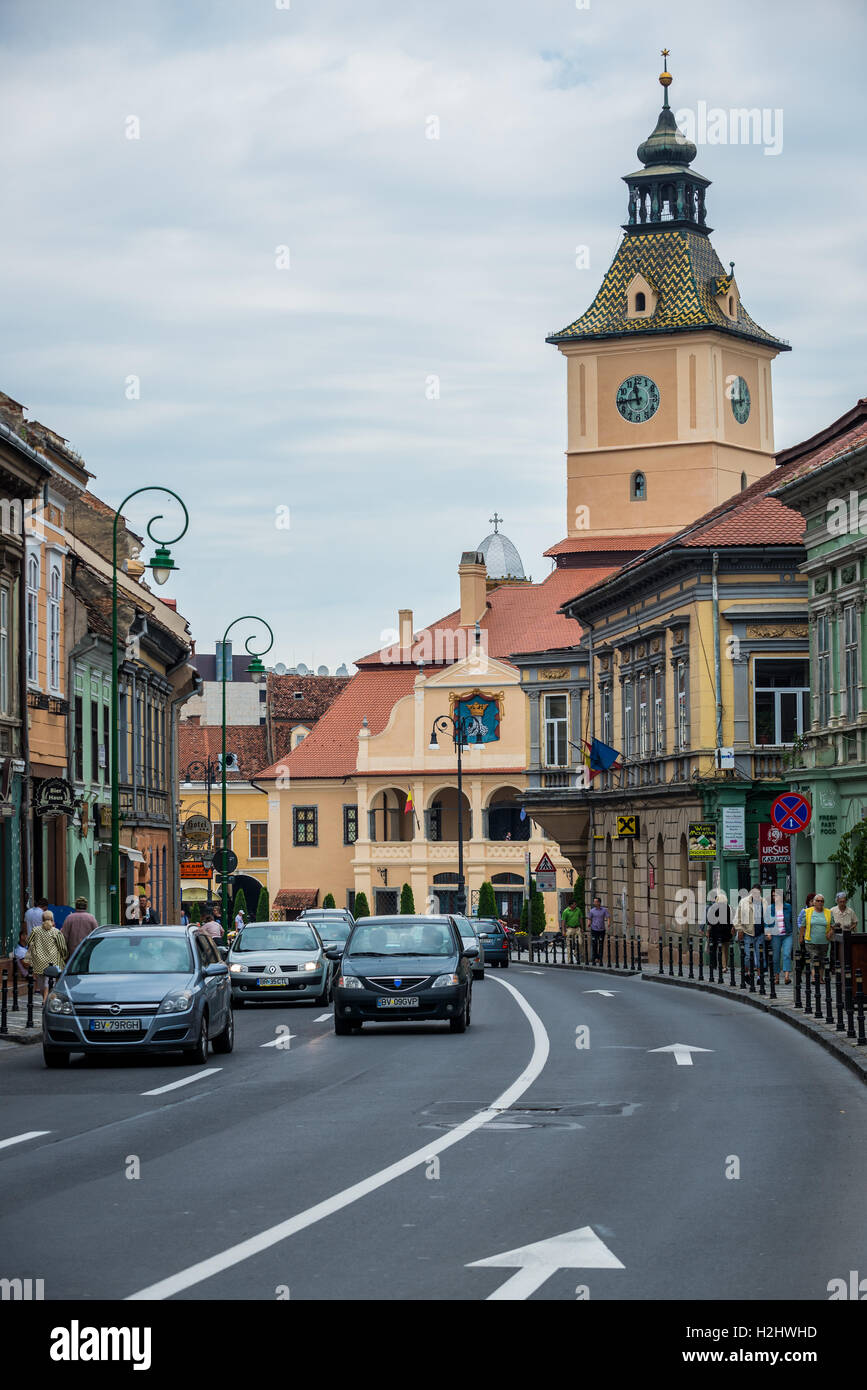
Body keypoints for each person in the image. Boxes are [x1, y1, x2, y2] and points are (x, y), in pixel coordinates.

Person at [27, 909, 68, 1003]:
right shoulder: (56, 932)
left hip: (39, 961)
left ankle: (45, 999)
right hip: (52, 961)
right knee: (49, 981)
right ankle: (46, 999)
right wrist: (64, 956)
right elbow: (62, 947)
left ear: (42, 919)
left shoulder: (35, 930)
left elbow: (29, 942)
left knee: (41, 983)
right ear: (52, 920)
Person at [799, 892, 833, 982]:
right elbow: (802, 926)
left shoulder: (828, 912)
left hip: (824, 941)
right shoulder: (808, 912)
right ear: (814, 902)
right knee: (814, 959)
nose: (820, 903)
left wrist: (831, 932)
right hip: (810, 941)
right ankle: (815, 977)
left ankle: (820, 978)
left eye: (822, 901)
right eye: (817, 901)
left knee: (822, 960)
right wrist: (801, 937)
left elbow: (833, 925)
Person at [735, 885, 765, 980]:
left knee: (760, 956)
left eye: (758, 893)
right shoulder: (744, 902)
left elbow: (768, 917)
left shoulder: (763, 902)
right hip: (747, 932)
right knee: (748, 956)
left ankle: (760, 977)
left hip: (760, 933)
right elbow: (738, 917)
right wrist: (739, 929)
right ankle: (747, 973)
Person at [764, 887, 793, 985]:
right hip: (775, 935)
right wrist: (768, 932)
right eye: (772, 896)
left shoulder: (788, 907)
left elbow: (792, 920)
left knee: (787, 954)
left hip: (787, 934)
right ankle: (776, 976)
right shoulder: (770, 908)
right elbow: (766, 922)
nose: (774, 897)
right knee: (776, 957)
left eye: (775, 895)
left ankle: (786, 976)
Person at [705, 887, 733, 975]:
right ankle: (724, 966)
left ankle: (716, 965)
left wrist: (708, 930)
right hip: (726, 932)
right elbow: (731, 920)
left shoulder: (714, 908)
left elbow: (709, 921)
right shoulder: (728, 907)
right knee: (725, 950)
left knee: (715, 949)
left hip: (716, 932)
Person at [587, 896, 609, 965]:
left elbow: (608, 917)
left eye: (596, 901)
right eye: (594, 901)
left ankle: (600, 959)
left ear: (599, 902)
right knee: (594, 944)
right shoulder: (592, 911)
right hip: (594, 929)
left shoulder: (604, 910)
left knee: (601, 944)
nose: (594, 903)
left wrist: (608, 923)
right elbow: (589, 918)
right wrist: (589, 923)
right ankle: (595, 958)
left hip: (602, 929)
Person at [13, 928, 30, 1002]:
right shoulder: (19, 950)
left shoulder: (25, 948)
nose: (28, 937)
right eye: (26, 935)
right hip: (28, 974)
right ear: (22, 937)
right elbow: (26, 965)